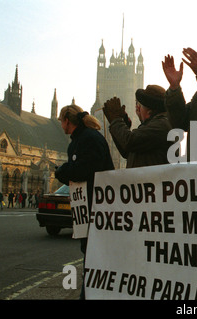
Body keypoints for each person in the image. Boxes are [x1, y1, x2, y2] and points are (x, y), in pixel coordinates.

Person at [55, 104, 114, 299]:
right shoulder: (81, 139)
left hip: (96, 208)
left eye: (60, 121)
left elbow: (86, 170)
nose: (60, 126)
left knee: (94, 258)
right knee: (91, 257)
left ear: (67, 121)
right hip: (86, 210)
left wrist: (62, 172)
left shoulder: (87, 139)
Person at [103, 85, 172, 168]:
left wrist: (116, 120)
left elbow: (130, 141)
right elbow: (128, 152)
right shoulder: (155, 124)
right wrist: (122, 124)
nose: (137, 108)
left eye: (138, 104)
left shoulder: (161, 125)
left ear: (149, 111)